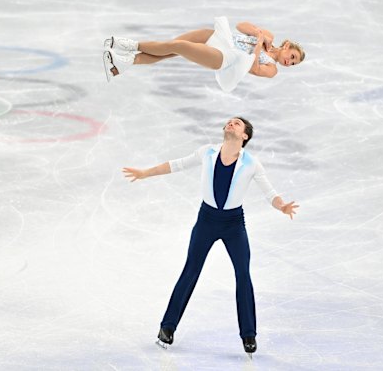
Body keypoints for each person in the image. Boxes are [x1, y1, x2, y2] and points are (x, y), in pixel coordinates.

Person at [122, 117, 299, 355]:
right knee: (190, 271)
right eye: (229, 122)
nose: (231, 124)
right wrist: (145, 172)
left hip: (234, 225)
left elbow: (270, 193)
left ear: (245, 136)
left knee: (243, 275)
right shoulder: (207, 152)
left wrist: (282, 207)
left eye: (237, 124)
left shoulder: (251, 164)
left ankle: (249, 335)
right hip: (206, 221)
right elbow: (176, 165)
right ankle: (167, 327)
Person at [103, 17, 305, 92]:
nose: (290, 62)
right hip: (221, 37)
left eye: (293, 63)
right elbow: (240, 25)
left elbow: (252, 68)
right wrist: (258, 33)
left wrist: (259, 44)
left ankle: (127, 48)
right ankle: (123, 62)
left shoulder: (272, 70)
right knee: (171, 47)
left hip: (225, 58)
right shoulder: (269, 36)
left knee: (178, 46)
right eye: (293, 56)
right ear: (287, 45)